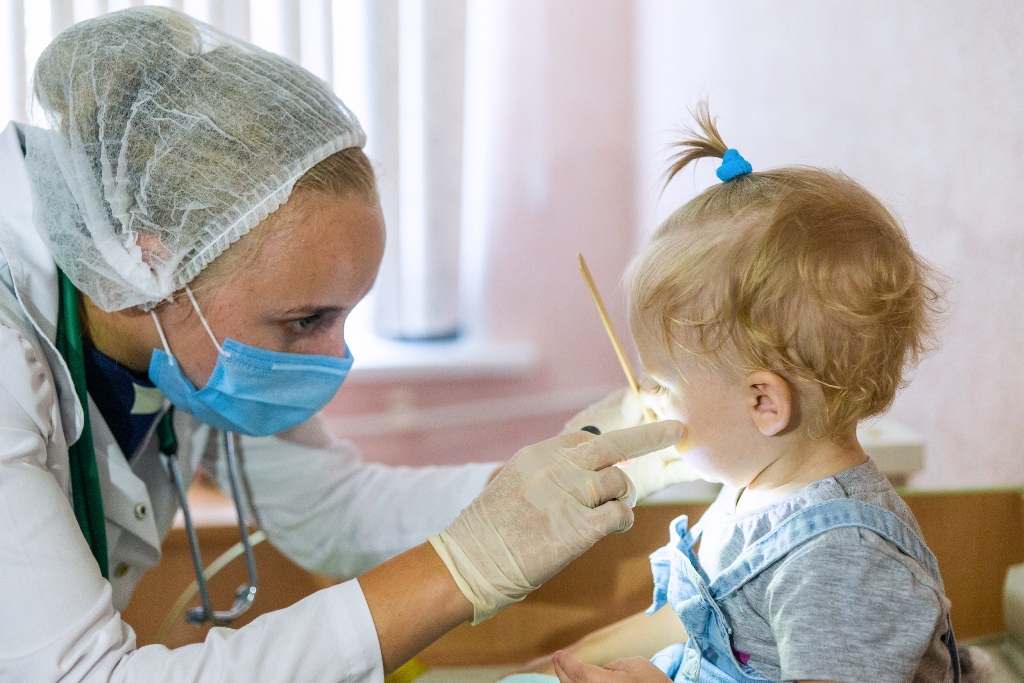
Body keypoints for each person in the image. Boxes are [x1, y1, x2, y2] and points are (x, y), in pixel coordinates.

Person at [0, 8, 687, 682]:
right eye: (305, 321)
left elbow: (334, 511)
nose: (335, 358)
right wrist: (464, 567)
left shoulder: (181, 338)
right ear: (148, 263)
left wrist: (565, 471)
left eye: (344, 317)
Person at [516, 103, 960, 683]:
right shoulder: (759, 486)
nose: (647, 397)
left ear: (763, 404)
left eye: (664, 383)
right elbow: (696, 620)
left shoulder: (842, 560)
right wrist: (566, 659)